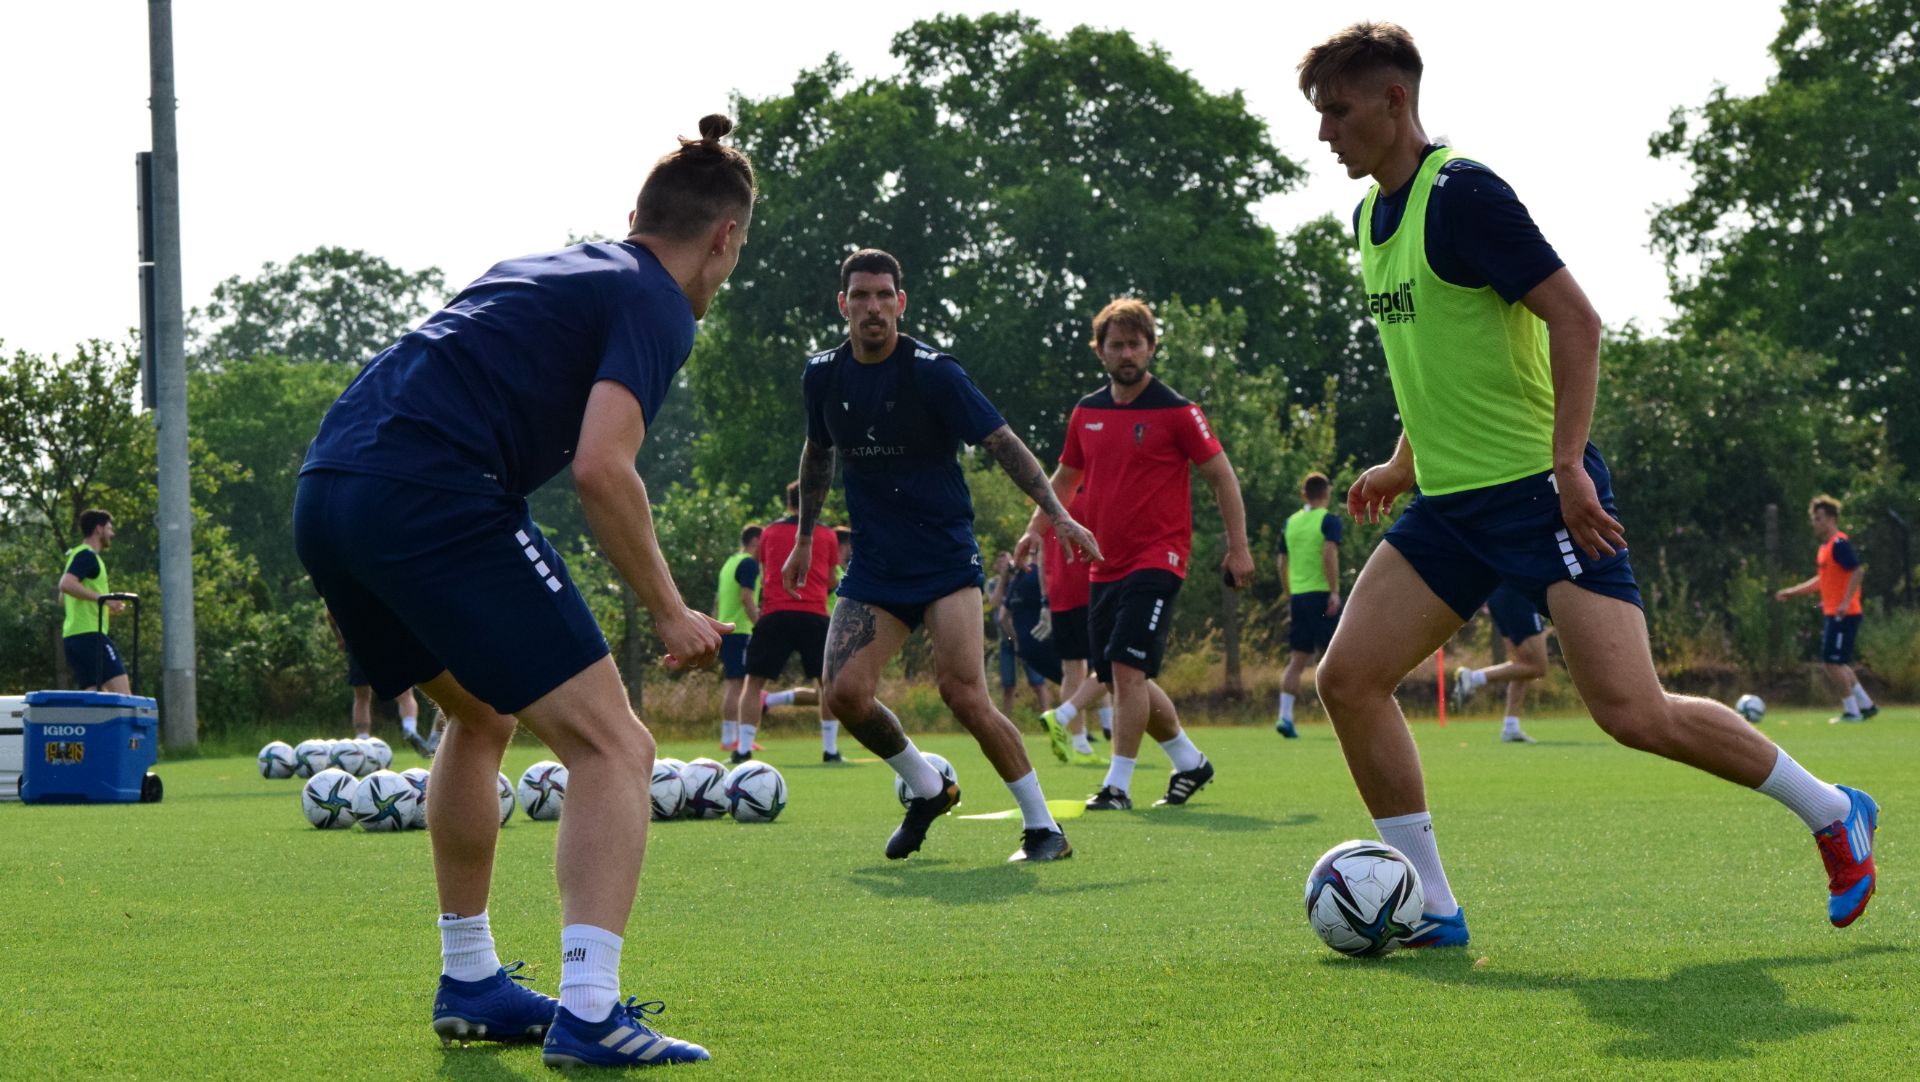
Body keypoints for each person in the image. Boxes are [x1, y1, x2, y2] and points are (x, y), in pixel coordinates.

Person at [1297, 23, 1878, 942]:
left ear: (1394, 101)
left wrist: (1569, 465)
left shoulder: (1463, 194)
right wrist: (1405, 462)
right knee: (1348, 679)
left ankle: (1834, 811)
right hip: (1451, 506)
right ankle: (1435, 907)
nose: (1324, 132)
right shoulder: (1372, 218)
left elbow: (1577, 321)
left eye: (1336, 111)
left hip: (1540, 492)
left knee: (1632, 712)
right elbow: (1438, 352)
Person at [294, 115, 756, 1066]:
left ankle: (470, 977)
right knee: (616, 745)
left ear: (636, 216)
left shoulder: (552, 266)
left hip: (332, 489)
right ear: (724, 238)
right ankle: (590, 1010)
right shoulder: (657, 302)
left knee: (481, 714)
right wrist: (669, 609)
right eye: (736, 253)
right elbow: (601, 467)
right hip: (432, 494)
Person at [784, 247, 1099, 864]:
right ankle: (929, 788)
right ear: (843, 304)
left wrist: (1058, 515)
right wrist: (803, 536)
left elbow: (1003, 443)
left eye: (884, 295)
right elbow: (817, 452)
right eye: (861, 296)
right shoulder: (821, 375)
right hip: (876, 566)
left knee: (963, 693)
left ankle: (1044, 830)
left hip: (945, 561)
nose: (873, 308)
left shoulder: (934, 372)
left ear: (901, 302)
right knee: (842, 694)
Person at [1018, 297, 1254, 812]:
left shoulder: (1178, 411)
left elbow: (1222, 477)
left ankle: (1117, 787)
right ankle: (1189, 760)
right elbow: (1065, 478)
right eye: (1117, 344)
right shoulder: (1087, 412)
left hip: (1159, 557)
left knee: (1125, 667)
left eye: (1135, 344)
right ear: (1100, 351)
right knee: (1123, 675)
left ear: (1151, 347)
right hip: (1104, 564)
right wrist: (1035, 530)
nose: (1127, 353)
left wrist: (1238, 547)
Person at [736, 481, 842, 763]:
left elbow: (766, 572)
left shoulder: (769, 532)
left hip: (775, 614)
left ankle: (742, 750)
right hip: (814, 614)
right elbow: (832, 579)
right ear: (818, 500)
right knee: (827, 683)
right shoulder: (827, 535)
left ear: (789, 502)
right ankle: (830, 751)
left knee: (753, 682)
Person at [1774, 495, 1878, 724]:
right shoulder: (1825, 548)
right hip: (1835, 613)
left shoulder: (1839, 544)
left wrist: (1845, 602)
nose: (1815, 523)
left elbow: (1857, 571)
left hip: (1844, 613)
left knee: (1832, 663)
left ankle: (1852, 712)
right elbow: (1821, 581)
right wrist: (1791, 592)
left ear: (1831, 519)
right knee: (1838, 662)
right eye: (1814, 518)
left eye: (1818, 518)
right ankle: (1867, 706)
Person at [1038, 494, 1111, 765]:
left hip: (1059, 595)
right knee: (1114, 663)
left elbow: (1041, 556)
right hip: (1087, 589)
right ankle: (1064, 716)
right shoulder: (1090, 494)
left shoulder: (1048, 499)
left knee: (1072, 669)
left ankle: (1080, 744)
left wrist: (1045, 600)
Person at [1275, 472, 1343, 738]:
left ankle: (1285, 717)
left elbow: (1281, 563)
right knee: (1334, 659)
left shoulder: (1290, 523)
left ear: (1304, 494)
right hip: (1321, 595)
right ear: (1327, 493)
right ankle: (1343, 718)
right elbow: (1329, 552)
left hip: (1298, 597)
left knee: (1297, 659)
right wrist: (1334, 591)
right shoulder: (1329, 520)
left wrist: (1289, 594)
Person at [327, 607, 430, 755]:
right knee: (405, 692)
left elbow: (330, 614)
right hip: (389, 637)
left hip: (359, 639)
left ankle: (362, 741)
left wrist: (339, 638)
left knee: (362, 696)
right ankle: (410, 729)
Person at [1451, 585, 1545, 743]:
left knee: (1521, 665)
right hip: (1518, 595)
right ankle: (1472, 678)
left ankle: (1511, 727)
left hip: (1498, 596)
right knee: (1538, 667)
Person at [58, 509, 130, 694]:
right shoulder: (87, 556)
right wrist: (104, 600)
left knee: (95, 698)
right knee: (125, 698)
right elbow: (66, 585)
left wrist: (104, 603)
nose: (112, 534)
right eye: (109, 528)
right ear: (99, 529)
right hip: (90, 635)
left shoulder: (76, 555)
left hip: (73, 638)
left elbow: (62, 598)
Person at [991, 551, 1059, 715]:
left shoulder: (1022, 579)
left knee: (1037, 682)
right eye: (1001, 564)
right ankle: (1007, 720)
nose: (1005, 566)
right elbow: (995, 603)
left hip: (1024, 638)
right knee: (1008, 685)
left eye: (1007, 562)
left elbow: (1005, 616)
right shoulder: (993, 583)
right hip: (1007, 640)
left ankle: (1047, 716)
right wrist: (1003, 579)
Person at [715, 525, 762, 753]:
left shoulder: (729, 562)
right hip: (740, 630)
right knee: (739, 684)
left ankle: (729, 738)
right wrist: (760, 625)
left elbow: (718, 600)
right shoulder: (749, 563)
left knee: (733, 683)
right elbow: (746, 598)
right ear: (755, 541)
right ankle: (732, 739)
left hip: (727, 630)